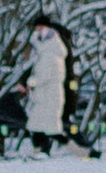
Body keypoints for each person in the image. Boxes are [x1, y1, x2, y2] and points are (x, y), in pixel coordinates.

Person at [24, 16, 77, 155]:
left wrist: (31, 82)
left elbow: (45, 74)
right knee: (37, 126)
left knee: (51, 129)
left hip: (50, 95)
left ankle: (79, 152)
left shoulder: (51, 52)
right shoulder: (47, 51)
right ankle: (40, 151)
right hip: (45, 95)